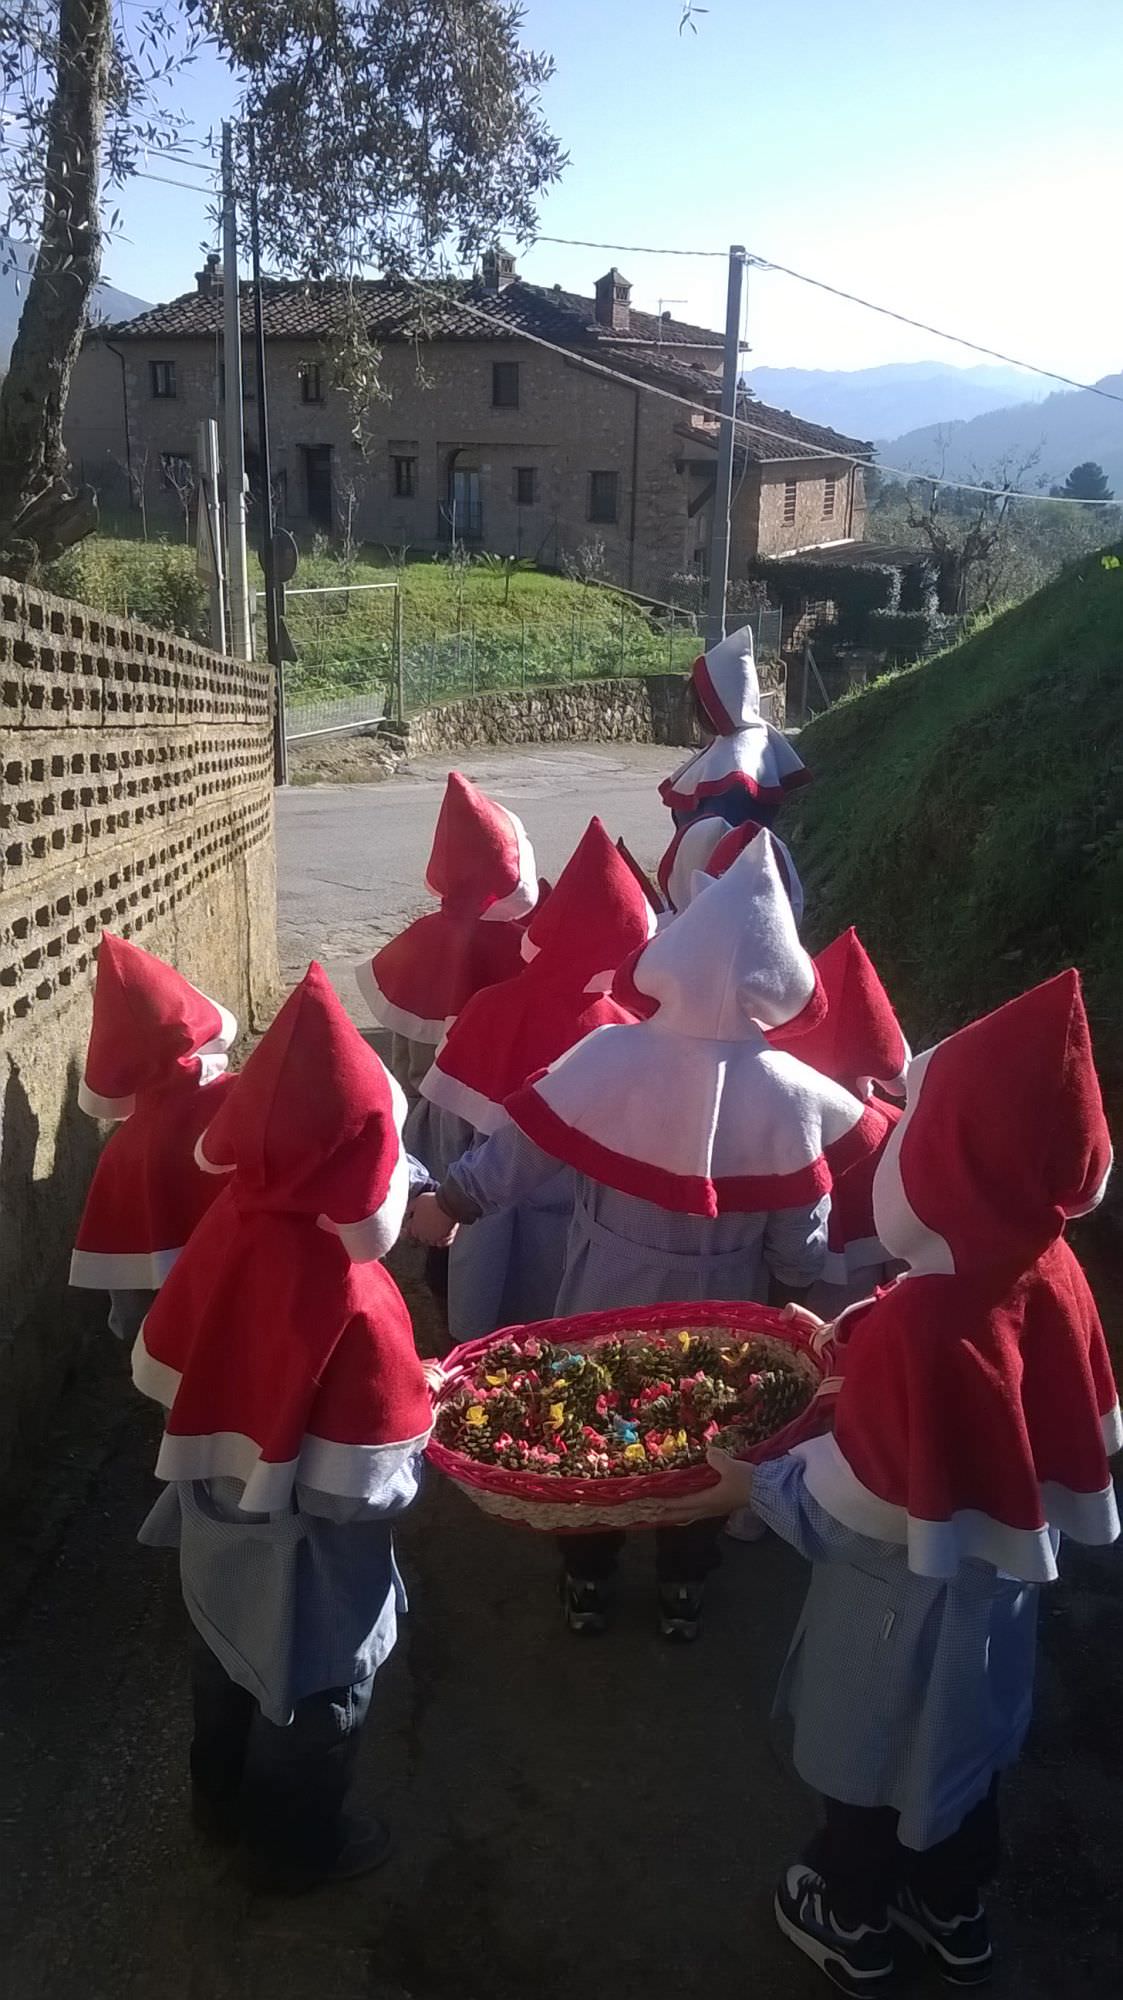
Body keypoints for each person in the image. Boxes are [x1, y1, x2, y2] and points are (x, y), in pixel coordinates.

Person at [668, 970, 1119, 1993]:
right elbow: (998, 1358)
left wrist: (754, 1484)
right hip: (994, 1596)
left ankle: (848, 1909)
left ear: (945, 1156)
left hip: (892, 1606)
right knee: (963, 1753)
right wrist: (867, 1334)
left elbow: (853, 1505)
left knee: (874, 1756)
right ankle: (953, 1908)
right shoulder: (1053, 1268)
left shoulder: (926, 1322)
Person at [411, 835, 887, 1640]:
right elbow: (798, 1224)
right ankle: (682, 1589)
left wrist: (454, 1203)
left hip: (604, 1287)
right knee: (704, 1443)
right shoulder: (788, 1095)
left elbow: (520, 1151)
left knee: (589, 1426)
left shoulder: (610, 1055)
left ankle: (588, 1582)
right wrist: (795, 1284)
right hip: (725, 1306)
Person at [131, 963, 434, 1892]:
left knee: (222, 1655)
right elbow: (363, 1482)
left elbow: (165, 1365)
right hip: (312, 1553)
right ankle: (298, 1848)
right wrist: (424, 1425)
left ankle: (215, 1805)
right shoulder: (356, 1291)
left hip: (220, 1516)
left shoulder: (229, 1224)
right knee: (318, 1691)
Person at [419, 816, 655, 1340]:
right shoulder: (628, 1030)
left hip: (478, 1207)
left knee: (483, 1324)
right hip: (579, 1228)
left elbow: (444, 1128)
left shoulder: (488, 1009)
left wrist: (439, 1197)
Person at [355, 768, 540, 1172]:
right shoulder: (517, 945)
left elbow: (402, 1035)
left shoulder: (422, 936)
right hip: (484, 1115)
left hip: (419, 1107)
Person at [68, 930, 239, 1346]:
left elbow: (127, 1302)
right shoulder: (240, 1104)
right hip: (242, 1320)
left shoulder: (123, 1153)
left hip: (164, 1347)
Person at [659, 626, 809, 831]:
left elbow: (717, 838)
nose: (694, 711)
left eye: (699, 699)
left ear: (717, 700)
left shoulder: (738, 765)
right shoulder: (741, 740)